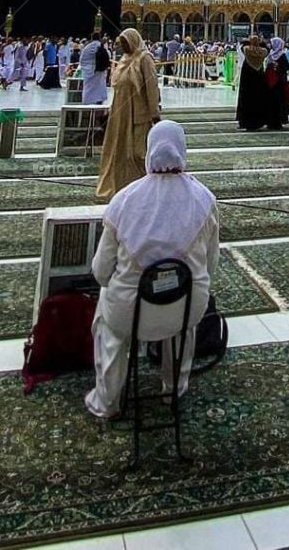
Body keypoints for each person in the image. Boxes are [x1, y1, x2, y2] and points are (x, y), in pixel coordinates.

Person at [85, 121, 219, 420]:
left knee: (107, 319)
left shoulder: (124, 200)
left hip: (129, 313)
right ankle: (173, 388)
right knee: (184, 316)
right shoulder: (204, 199)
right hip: (186, 309)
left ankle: (108, 401)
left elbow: (101, 271)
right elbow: (210, 266)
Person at [96, 28, 161, 200]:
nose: (122, 46)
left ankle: (143, 191)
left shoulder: (144, 59)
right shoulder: (124, 59)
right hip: (120, 115)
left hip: (138, 113)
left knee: (137, 154)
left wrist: (154, 112)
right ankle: (120, 188)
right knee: (118, 151)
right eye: (121, 43)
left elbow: (152, 86)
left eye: (125, 43)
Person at [236, 35, 271, 131]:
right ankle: (258, 122)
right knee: (258, 99)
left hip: (247, 77)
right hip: (258, 76)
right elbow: (268, 48)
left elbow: (243, 44)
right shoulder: (263, 52)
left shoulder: (246, 50)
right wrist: (261, 42)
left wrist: (249, 40)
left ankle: (245, 121)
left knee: (246, 99)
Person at [263, 36, 289, 130]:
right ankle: (270, 122)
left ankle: (278, 122)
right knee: (271, 102)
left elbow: (286, 67)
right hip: (271, 83)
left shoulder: (282, 55)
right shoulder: (270, 54)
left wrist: (277, 67)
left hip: (278, 83)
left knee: (278, 102)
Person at [80, 34, 109, 105]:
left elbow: (82, 60)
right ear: (99, 38)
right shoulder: (101, 46)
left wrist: (87, 67)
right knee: (100, 86)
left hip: (88, 71)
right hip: (99, 70)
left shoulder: (87, 48)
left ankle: (87, 102)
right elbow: (107, 56)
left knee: (88, 87)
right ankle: (99, 101)